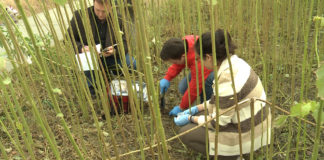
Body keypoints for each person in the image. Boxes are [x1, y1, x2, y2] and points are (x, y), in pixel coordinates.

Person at [174, 29, 271, 160]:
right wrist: (197, 108)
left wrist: (191, 118)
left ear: (208, 57)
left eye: (199, 59)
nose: (199, 62)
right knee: (199, 114)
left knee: (186, 133)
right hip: (251, 119)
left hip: (248, 131)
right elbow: (221, 101)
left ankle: (232, 155)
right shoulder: (235, 63)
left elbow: (217, 124)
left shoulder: (227, 79)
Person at [67, 0, 136, 95]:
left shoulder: (118, 19)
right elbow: (68, 38)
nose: (100, 14)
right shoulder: (80, 16)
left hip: (110, 57)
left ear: (111, 7)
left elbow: (125, 43)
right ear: (94, 3)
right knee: (92, 89)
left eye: (104, 11)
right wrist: (81, 48)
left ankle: (107, 70)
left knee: (132, 65)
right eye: (97, 10)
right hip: (88, 58)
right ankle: (94, 80)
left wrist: (114, 51)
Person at [159, 36, 214, 115]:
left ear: (183, 56)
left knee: (206, 83)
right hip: (200, 71)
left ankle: (207, 107)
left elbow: (195, 86)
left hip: (215, 69)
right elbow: (178, 63)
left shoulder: (199, 61)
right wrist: (167, 78)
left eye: (173, 61)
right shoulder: (183, 45)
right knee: (183, 87)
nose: (173, 64)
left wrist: (181, 107)